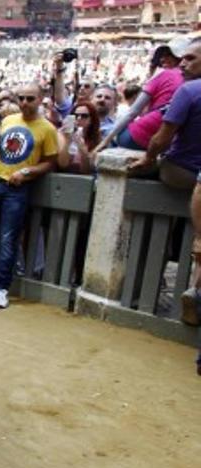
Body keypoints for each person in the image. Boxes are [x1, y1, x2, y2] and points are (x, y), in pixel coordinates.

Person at [128, 40, 201, 342]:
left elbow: (160, 138)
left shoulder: (189, 91)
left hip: (180, 173)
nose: (182, 64)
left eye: (189, 59)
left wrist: (147, 158)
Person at [0, 83, 58, 309]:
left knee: (8, 238)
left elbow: (51, 162)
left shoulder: (47, 128)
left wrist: (27, 172)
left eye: (30, 98)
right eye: (21, 98)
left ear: (39, 99)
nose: (25, 103)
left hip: (17, 188)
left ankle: (1, 287)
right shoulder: (8, 121)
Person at [95, 39, 188, 153]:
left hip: (133, 138)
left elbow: (133, 112)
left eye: (169, 55)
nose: (162, 59)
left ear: (181, 58)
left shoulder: (164, 74)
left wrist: (105, 141)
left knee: (110, 133)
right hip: (166, 142)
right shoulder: (192, 82)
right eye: (162, 56)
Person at [56, 101, 101, 175]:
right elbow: (63, 165)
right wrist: (67, 141)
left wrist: (83, 150)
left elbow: (86, 171)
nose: (79, 118)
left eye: (84, 116)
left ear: (91, 120)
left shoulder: (96, 138)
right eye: (75, 115)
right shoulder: (61, 134)